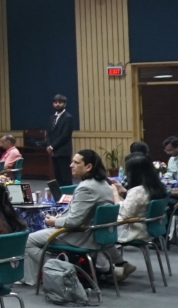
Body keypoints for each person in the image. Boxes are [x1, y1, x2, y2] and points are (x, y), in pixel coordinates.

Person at [22, 150, 116, 286]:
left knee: (27, 241)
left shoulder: (86, 188)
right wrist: (62, 217)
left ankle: (62, 270)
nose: (71, 165)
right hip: (95, 235)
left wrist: (54, 221)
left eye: (76, 163)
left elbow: (73, 222)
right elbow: (83, 214)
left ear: (88, 167)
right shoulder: (104, 184)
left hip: (80, 236)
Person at [112, 153, 168, 279]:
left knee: (95, 231)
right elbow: (139, 203)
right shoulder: (156, 187)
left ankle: (108, 268)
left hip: (133, 230)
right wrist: (124, 191)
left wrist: (115, 193)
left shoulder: (137, 190)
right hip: (149, 228)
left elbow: (124, 213)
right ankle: (120, 263)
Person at [47, 94, 75, 186]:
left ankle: (68, 193)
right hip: (54, 152)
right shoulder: (51, 118)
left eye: (60, 102)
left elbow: (65, 135)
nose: (57, 104)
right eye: (55, 102)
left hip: (63, 151)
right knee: (57, 175)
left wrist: (52, 146)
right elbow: (48, 134)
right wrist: (49, 145)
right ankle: (59, 193)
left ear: (64, 104)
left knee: (65, 176)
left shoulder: (68, 117)